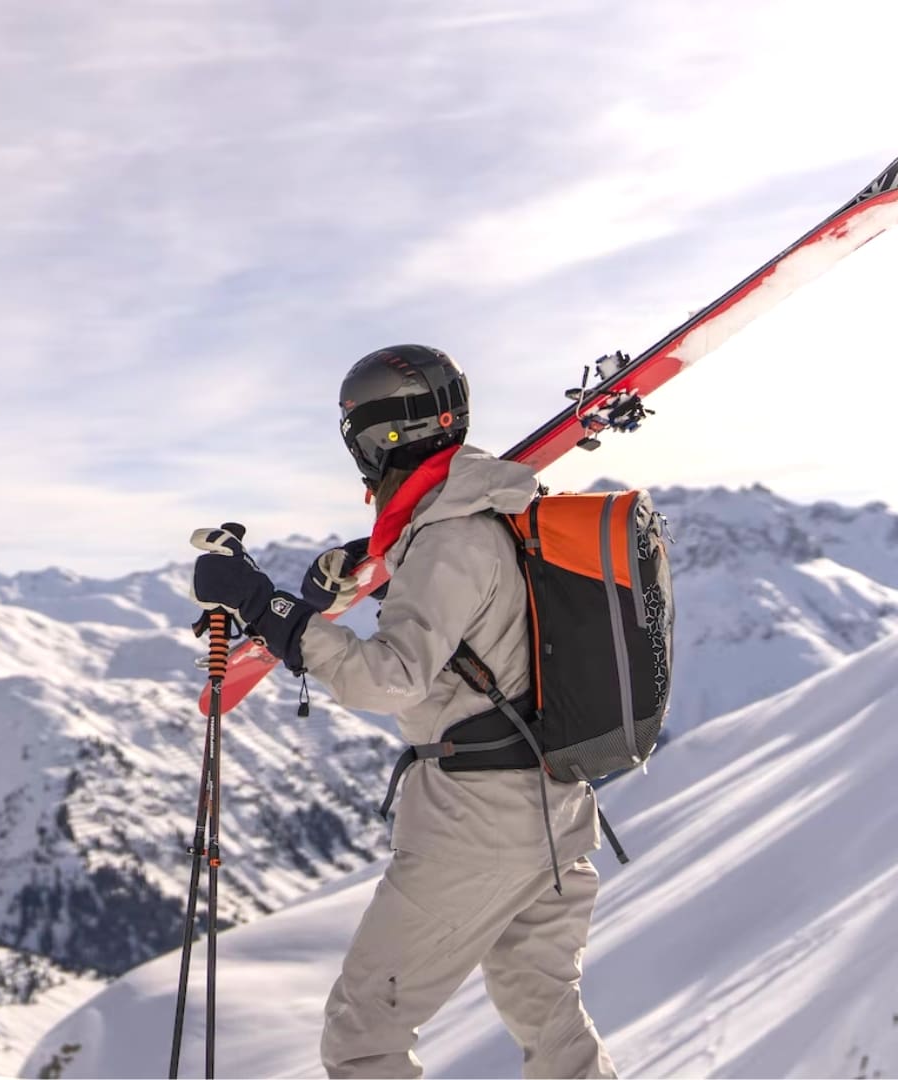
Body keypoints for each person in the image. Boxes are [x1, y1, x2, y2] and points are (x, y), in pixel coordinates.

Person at [189, 345, 617, 1079]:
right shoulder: (501, 512)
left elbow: (391, 680)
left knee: (363, 1034)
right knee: (546, 1016)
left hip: (478, 825)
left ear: (378, 438)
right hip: (552, 805)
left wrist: (267, 609)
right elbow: (477, 631)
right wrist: (377, 560)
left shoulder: (451, 538)